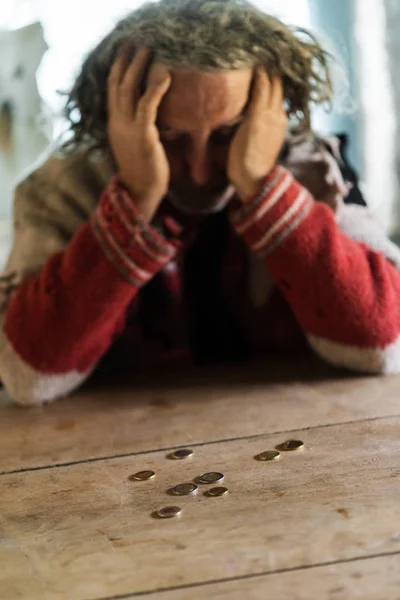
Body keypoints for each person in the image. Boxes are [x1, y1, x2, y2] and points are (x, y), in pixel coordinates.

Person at [1, 0, 400, 406]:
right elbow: (26, 376)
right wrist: (136, 199)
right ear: (116, 113)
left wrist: (264, 188)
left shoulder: (315, 170)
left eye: (227, 134)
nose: (198, 172)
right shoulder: (65, 186)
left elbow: (385, 342)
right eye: (170, 137)